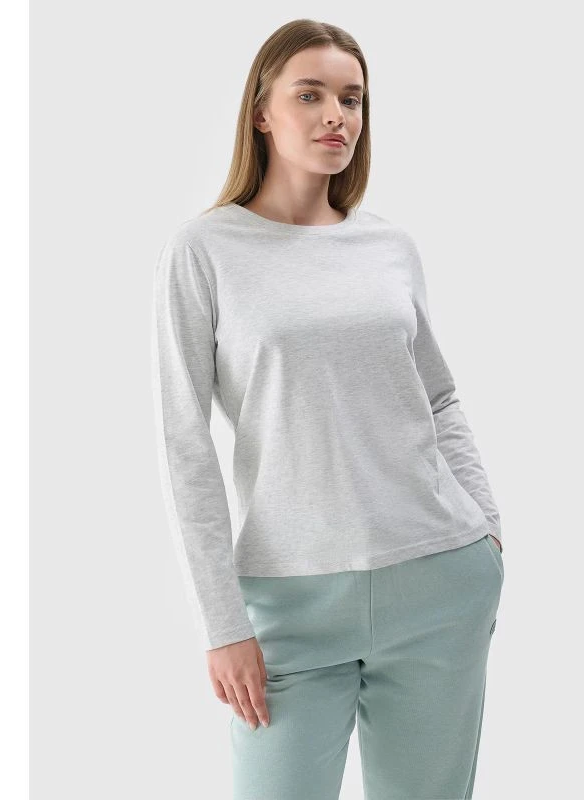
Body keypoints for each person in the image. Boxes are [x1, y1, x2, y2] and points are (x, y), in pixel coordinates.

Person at [150, 18, 504, 800]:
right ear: (261, 111)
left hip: (438, 579)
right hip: (289, 605)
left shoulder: (388, 247)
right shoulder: (204, 250)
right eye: (309, 95)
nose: (335, 116)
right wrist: (223, 625)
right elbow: (185, 443)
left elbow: (438, 394)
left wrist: (487, 526)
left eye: (352, 98)